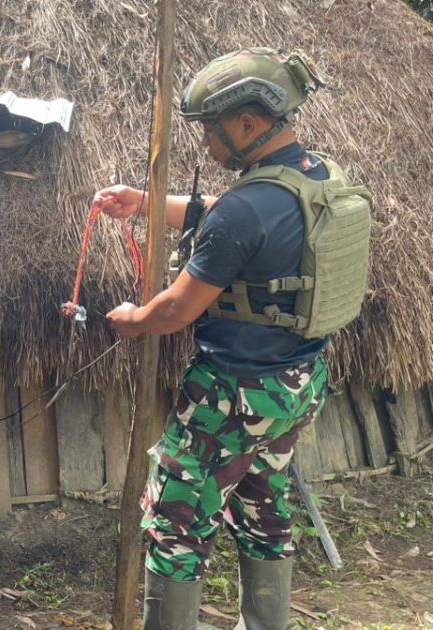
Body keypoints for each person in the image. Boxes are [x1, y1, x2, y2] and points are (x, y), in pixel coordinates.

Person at [91, 49, 371, 629]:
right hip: (297, 386)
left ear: (247, 124)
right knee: (266, 509)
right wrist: (143, 204)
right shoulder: (315, 177)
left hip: (230, 397)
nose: (207, 145)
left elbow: (175, 310)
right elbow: (232, 214)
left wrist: (131, 319)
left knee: (175, 524)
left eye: (212, 131)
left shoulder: (247, 208)